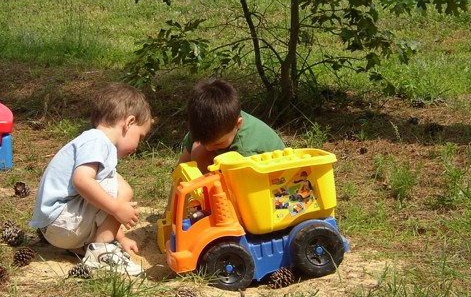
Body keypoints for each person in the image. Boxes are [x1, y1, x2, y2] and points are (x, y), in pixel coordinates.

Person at [29, 83, 152, 276]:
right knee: (122, 189)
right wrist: (117, 208)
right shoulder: (97, 141)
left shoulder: (93, 142)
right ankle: (102, 251)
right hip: (62, 222)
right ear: (129, 123)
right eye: (141, 136)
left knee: (111, 187)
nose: (138, 145)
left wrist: (121, 238)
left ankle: (97, 245)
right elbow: (82, 181)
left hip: (58, 226)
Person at [178, 78, 285, 173]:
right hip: (239, 165)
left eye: (217, 144)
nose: (209, 148)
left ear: (238, 124)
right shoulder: (203, 125)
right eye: (203, 142)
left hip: (272, 177)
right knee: (198, 150)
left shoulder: (245, 149)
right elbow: (182, 166)